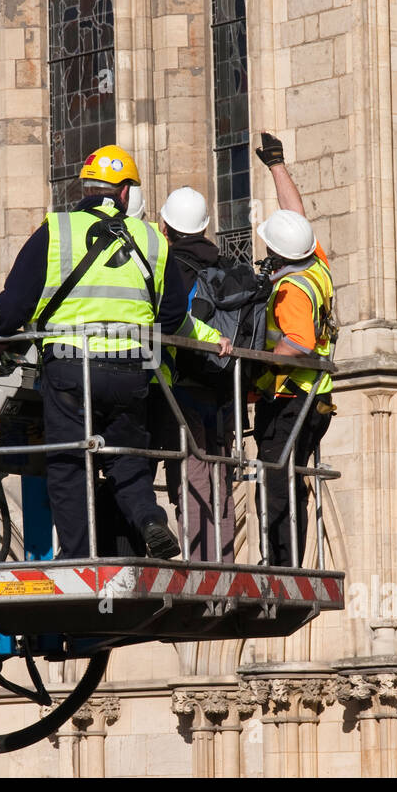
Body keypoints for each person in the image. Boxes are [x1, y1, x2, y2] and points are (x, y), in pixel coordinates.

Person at [0, 145, 230, 560]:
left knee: (68, 462)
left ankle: (78, 554)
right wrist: (200, 337)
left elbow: (15, 302)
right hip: (132, 371)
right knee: (126, 458)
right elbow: (171, 317)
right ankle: (150, 520)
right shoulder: (151, 239)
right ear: (125, 193)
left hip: (69, 369)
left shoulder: (56, 230)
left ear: (86, 188)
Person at [251, 132, 337, 567]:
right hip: (315, 399)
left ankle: (280, 563)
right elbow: (295, 215)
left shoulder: (290, 290)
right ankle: (283, 559)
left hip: (291, 400)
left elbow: (300, 343)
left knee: (276, 479)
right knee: (288, 477)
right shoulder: (314, 264)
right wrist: (276, 165)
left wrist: (258, 366)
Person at [148, 186, 236, 563]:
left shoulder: (168, 269)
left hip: (179, 388)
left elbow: (168, 323)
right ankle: (224, 562)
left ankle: (201, 564)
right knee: (221, 480)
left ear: (165, 226)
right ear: (204, 228)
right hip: (222, 389)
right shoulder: (225, 265)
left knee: (192, 475)